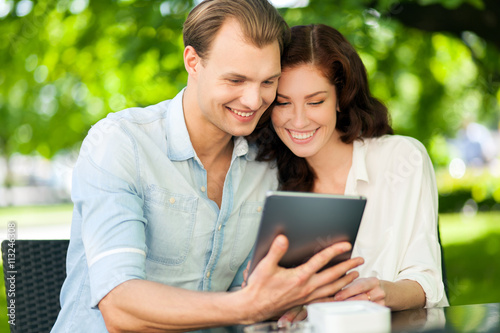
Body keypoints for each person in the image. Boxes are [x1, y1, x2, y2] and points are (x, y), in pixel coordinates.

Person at [51, 3, 364, 332]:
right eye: (235, 80)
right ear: (193, 62)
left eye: (268, 82)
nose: (253, 100)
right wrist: (247, 306)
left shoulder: (265, 164)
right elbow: (120, 306)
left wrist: (287, 302)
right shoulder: (121, 144)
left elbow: (251, 292)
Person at [252, 24, 449, 311]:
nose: (298, 121)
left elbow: (427, 280)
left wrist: (385, 292)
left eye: (315, 101)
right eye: (283, 103)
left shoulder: (402, 159)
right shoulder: (264, 174)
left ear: (341, 98)